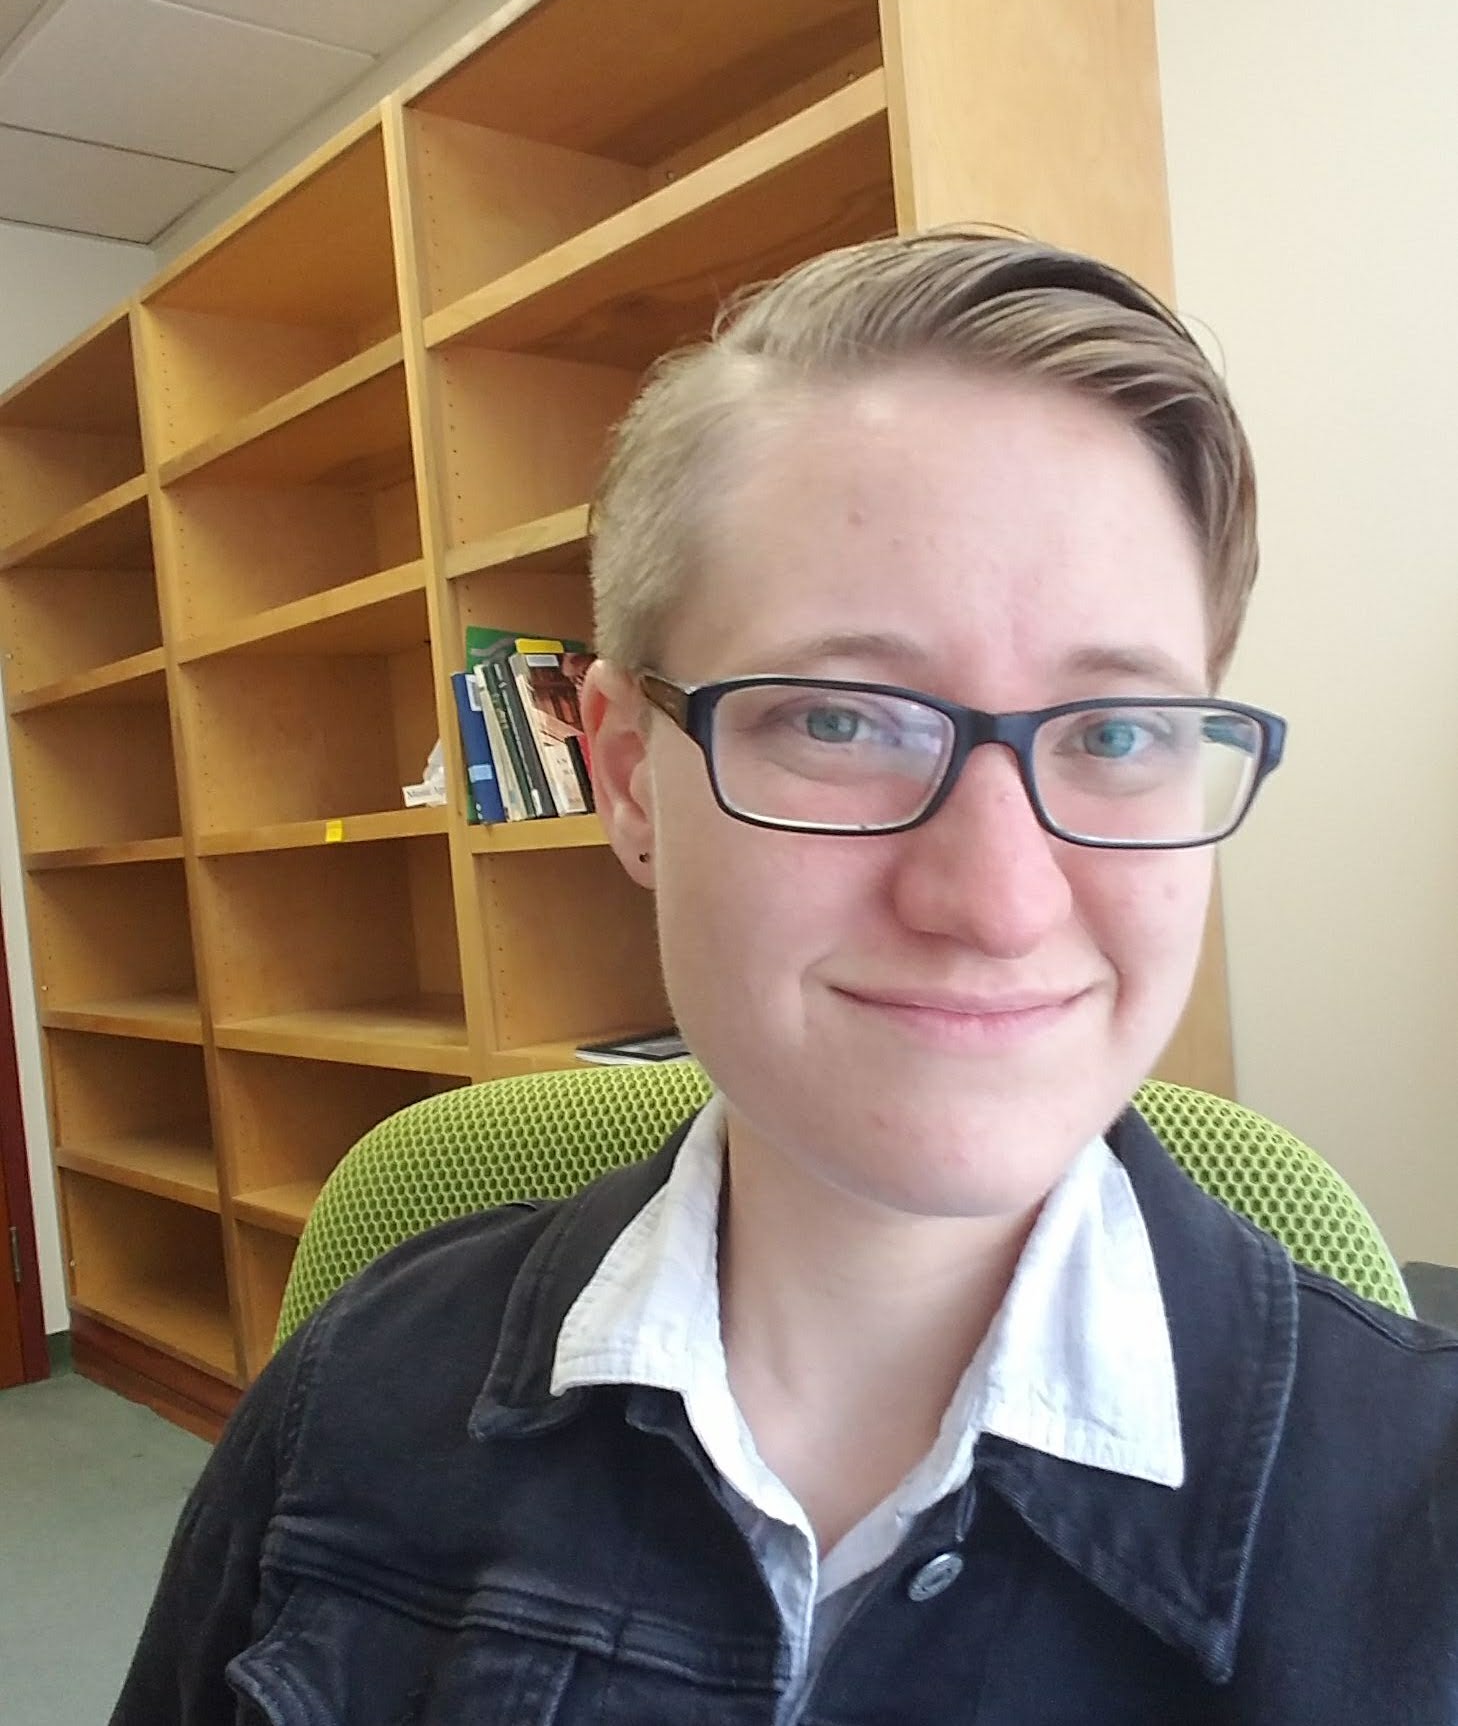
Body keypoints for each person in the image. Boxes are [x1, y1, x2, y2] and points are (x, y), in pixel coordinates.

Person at [111, 230, 1458, 1724]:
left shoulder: (1423, 1510)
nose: (998, 900)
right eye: (840, 719)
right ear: (630, 776)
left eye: (1117, 732)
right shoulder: (348, 1404)